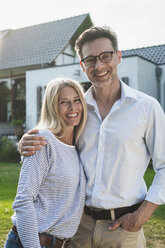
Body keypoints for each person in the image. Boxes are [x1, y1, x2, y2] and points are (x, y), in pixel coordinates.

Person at [18, 26, 165, 248]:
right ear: (82, 66)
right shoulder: (76, 111)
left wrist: (141, 216)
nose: (99, 66)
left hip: (123, 228)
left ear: (118, 56)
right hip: (76, 228)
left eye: (106, 56)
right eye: (90, 60)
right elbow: (53, 146)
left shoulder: (146, 107)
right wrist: (26, 145)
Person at [5, 77, 87, 248]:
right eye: (64, 102)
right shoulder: (42, 140)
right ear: (52, 106)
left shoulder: (78, 144)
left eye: (76, 100)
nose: (73, 108)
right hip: (31, 242)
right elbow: (23, 201)